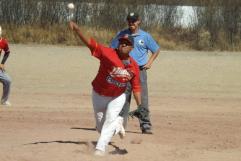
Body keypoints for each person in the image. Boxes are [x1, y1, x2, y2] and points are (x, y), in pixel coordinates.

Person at [68, 21, 141, 156]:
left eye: (126, 43)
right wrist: (78, 31)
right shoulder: (108, 53)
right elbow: (91, 44)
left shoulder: (134, 66)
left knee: (108, 122)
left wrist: (140, 106)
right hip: (99, 94)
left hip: (118, 96)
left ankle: (100, 150)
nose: (122, 44)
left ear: (132, 48)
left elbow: (136, 87)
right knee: (102, 129)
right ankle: (118, 123)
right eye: (121, 42)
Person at [110, 12, 161, 134]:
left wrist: (150, 62)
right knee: (123, 99)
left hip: (140, 71)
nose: (131, 23)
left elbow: (156, 49)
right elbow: (112, 49)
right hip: (124, 71)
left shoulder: (145, 36)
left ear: (139, 21)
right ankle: (120, 125)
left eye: (134, 20)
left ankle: (145, 125)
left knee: (142, 99)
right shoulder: (121, 35)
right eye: (129, 20)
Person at [0, 26, 11, 106]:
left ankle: (4, 101)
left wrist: (2, 63)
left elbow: (7, 52)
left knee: (7, 80)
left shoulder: (3, 42)